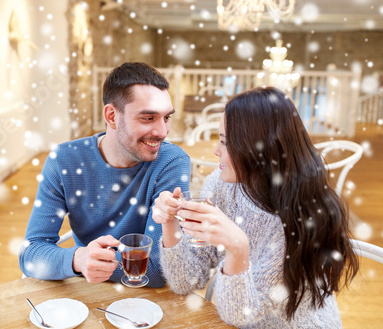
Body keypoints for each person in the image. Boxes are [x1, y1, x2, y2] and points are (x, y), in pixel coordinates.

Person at [152, 87, 359, 327]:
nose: (216, 150)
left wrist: (238, 247)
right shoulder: (221, 186)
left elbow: (241, 314)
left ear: (258, 150)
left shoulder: (299, 219)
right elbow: (185, 281)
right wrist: (170, 225)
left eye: (225, 142)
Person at [19, 62, 191, 288]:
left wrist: (82, 262)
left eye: (166, 118)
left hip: (145, 300)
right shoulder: (64, 160)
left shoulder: (172, 161)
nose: (162, 132)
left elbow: (157, 270)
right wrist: (78, 259)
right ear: (111, 116)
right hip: (87, 290)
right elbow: (30, 254)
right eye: (148, 118)